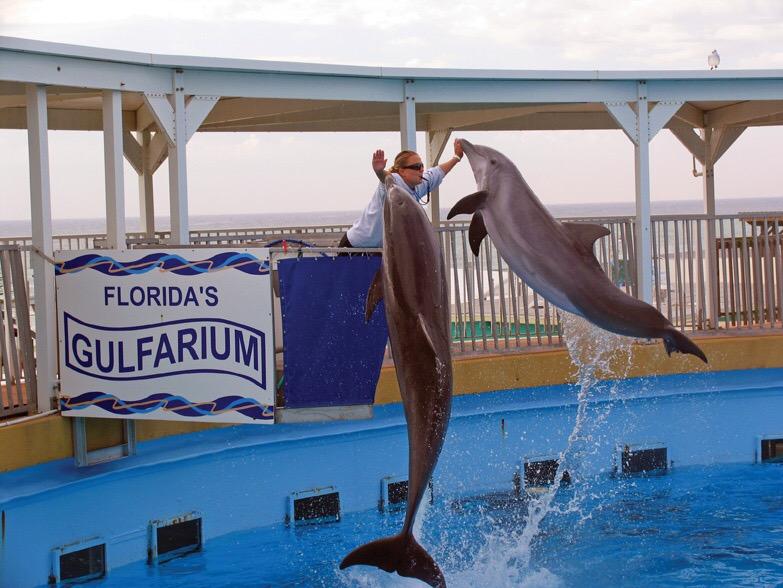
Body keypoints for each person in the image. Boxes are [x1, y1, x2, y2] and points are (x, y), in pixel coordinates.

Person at [338, 139, 464, 249]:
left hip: (380, 249)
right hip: (356, 246)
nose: (421, 169)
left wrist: (457, 157)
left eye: (421, 165)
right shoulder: (394, 182)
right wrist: (379, 171)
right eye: (416, 166)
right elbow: (386, 178)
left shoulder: (419, 185)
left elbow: (438, 172)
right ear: (402, 171)